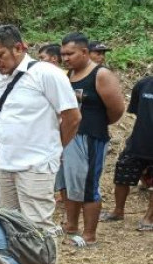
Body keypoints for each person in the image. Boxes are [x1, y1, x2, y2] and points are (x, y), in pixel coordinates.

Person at [0, 24, 81, 264]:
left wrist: (54, 151)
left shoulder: (46, 74)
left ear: (19, 48)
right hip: (7, 163)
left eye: (0, 55)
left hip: (36, 164)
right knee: (12, 224)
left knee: (39, 225)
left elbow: (72, 117)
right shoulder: (1, 80)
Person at [60, 32, 125, 247]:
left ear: (85, 52)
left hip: (90, 138)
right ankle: (71, 225)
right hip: (69, 136)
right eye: (63, 54)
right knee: (70, 184)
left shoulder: (100, 74)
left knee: (88, 185)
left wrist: (96, 124)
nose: (66, 58)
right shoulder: (69, 74)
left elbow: (117, 109)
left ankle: (89, 235)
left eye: (70, 53)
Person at [101, 75, 153, 231]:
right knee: (122, 174)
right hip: (138, 141)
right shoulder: (143, 84)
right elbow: (137, 112)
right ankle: (118, 211)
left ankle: (149, 218)